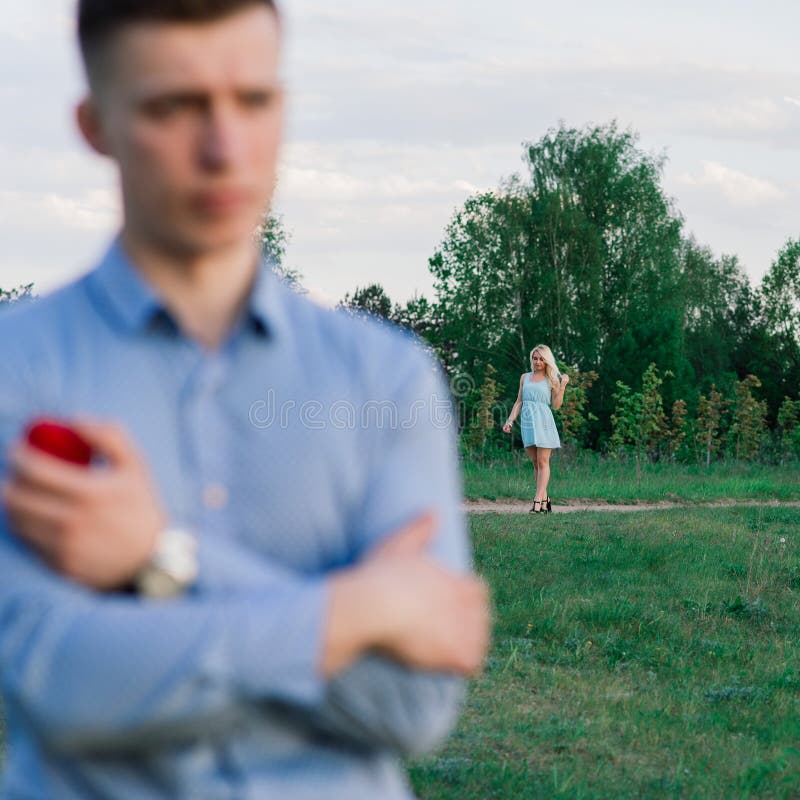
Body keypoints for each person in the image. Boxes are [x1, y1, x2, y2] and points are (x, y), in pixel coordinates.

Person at [0, 2, 490, 798]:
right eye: (172, 106)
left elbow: (415, 703)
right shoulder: (12, 369)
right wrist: (357, 612)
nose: (224, 149)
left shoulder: (387, 379)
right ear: (95, 126)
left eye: (253, 101)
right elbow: (57, 684)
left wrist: (159, 561)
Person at [503, 345, 569, 513]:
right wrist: (510, 420)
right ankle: (546, 500)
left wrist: (562, 386)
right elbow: (519, 401)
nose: (538, 361)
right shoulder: (525, 377)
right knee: (535, 463)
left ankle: (538, 500)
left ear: (546, 360)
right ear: (531, 359)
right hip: (527, 422)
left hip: (544, 421)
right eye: (535, 358)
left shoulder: (551, 378)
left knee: (543, 462)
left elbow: (555, 405)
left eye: (541, 358)